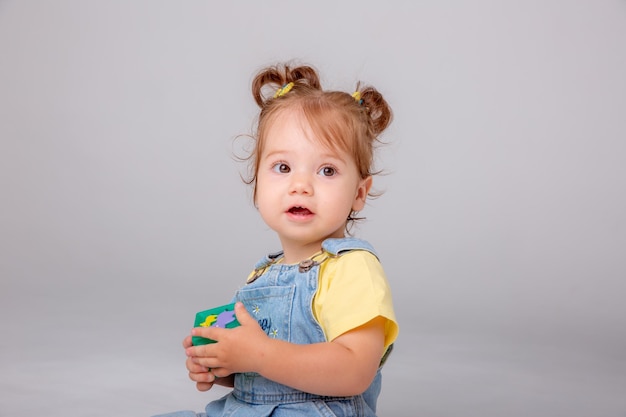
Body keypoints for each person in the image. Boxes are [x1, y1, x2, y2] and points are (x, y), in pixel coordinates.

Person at [154, 62, 399, 417]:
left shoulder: (353, 269)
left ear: (359, 193)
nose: (300, 185)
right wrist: (225, 364)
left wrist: (258, 354)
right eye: (283, 167)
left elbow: (355, 370)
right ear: (257, 184)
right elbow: (265, 376)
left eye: (326, 170)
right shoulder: (263, 275)